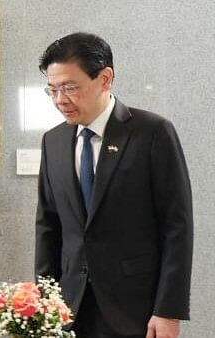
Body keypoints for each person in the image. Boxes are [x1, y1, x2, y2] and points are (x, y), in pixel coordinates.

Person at [34, 32, 193, 338]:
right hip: (70, 309)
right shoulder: (52, 141)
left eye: (69, 87)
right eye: (52, 89)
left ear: (105, 78)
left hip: (137, 309)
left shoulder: (152, 133)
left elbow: (177, 227)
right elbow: (48, 227)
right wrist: (45, 304)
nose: (59, 100)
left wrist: (168, 309)